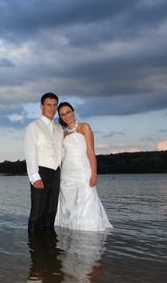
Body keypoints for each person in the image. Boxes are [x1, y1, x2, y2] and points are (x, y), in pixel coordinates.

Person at [54, 102, 112, 231]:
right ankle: (70, 235)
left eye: (68, 112)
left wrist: (94, 174)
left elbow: (91, 153)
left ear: (73, 111)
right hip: (66, 175)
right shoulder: (63, 134)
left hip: (83, 172)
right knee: (69, 206)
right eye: (62, 114)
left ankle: (87, 238)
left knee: (86, 204)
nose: (66, 116)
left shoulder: (85, 127)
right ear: (60, 117)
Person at [24, 92, 64, 232]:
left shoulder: (59, 128)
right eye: (48, 105)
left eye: (54, 105)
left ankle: (48, 250)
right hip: (41, 172)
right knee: (38, 212)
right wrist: (34, 177)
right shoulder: (33, 127)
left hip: (56, 173)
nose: (52, 108)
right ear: (41, 106)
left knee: (52, 211)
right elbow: (30, 152)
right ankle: (34, 250)